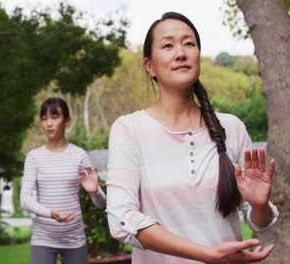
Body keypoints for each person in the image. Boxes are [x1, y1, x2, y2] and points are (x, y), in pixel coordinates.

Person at [106, 12, 279, 263]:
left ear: (198, 56)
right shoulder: (129, 129)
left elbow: (259, 222)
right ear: (150, 66)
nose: (181, 53)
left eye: (189, 43)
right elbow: (121, 219)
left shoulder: (232, 127)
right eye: (168, 45)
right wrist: (207, 255)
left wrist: (260, 205)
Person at [20, 97, 106, 264]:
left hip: (74, 240)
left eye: (54, 117)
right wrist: (50, 213)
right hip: (43, 239)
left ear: (67, 121)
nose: (48, 124)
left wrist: (95, 191)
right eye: (44, 119)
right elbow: (24, 200)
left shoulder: (79, 155)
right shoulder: (34, 157)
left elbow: (101, 204)